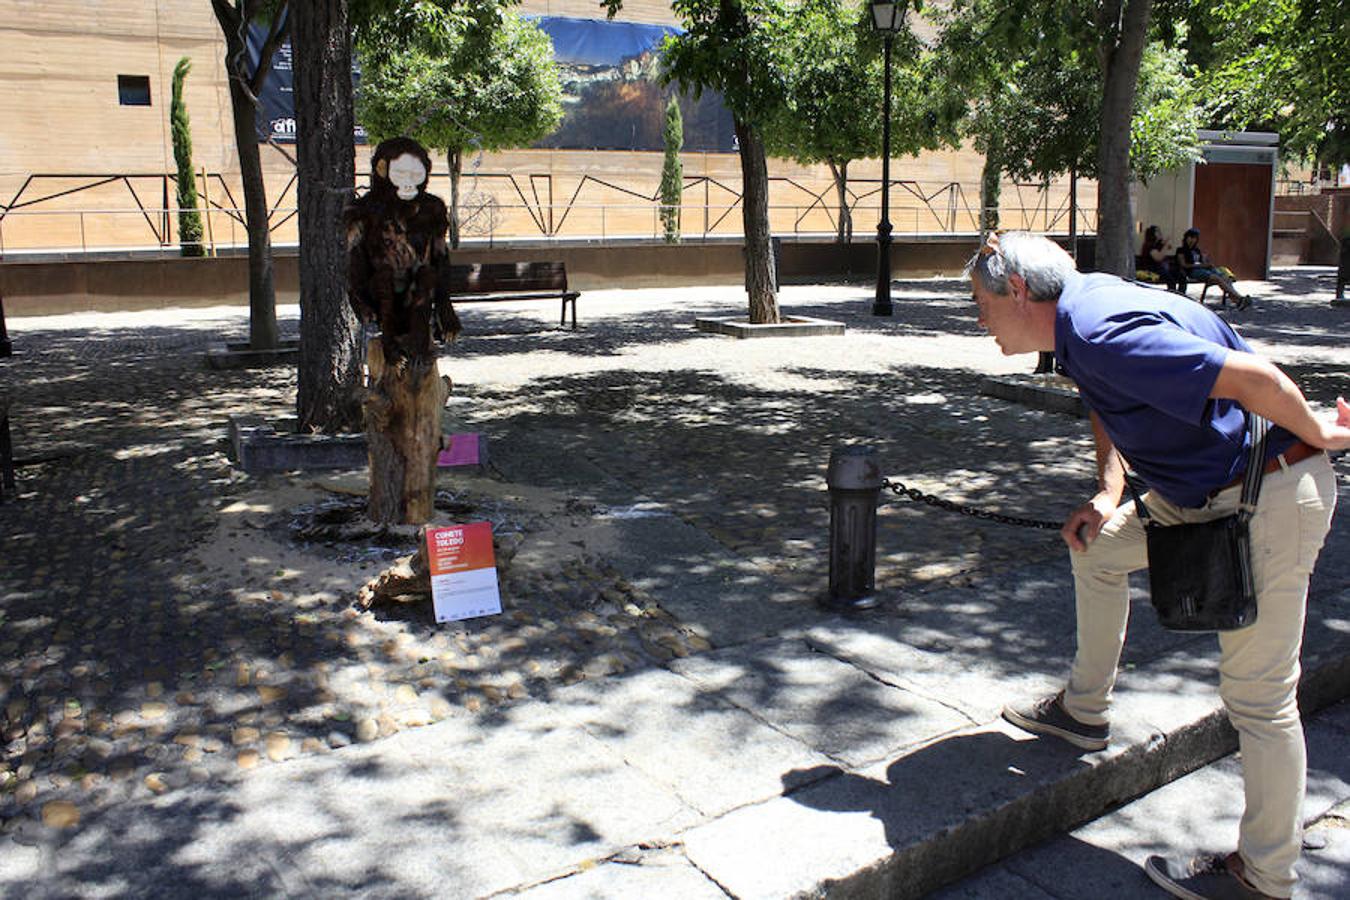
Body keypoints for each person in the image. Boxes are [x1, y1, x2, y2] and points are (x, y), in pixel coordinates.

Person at [967, 232, 1347, 900]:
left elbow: (1254, 379)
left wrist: (1321, 432)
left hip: (1269, 493)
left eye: (981, 305)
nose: (978, 322)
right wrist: (1109, 492)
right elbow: (1106, 401)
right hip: (1201, 494)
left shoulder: (1102, 330)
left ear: (1019, 292)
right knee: (1098, 548)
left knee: (1260, 698)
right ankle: (1083, 713)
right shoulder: (1077, 323)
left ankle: (1265, 878)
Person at [1176, 227, 1250, 309]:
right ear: (1186, 238)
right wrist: (1201, 265)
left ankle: (1238, 300)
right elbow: (1184, 265)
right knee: (1217, 278)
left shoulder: (1197, 250)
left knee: (1225, 277)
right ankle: (1239, 299)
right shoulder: (1181, 250)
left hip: (1204, 270)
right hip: (1192, 272)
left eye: (1194, 238)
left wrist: (1206, 263)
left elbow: (1202, 262)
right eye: (1190, 237)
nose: (1192, 240)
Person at [1139, 224, 1185, 293]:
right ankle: (1172, 295)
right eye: (1157, 231)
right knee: (1171, 280)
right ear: (1153, 234)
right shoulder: (1149, 245)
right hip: (1153, 270)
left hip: (1162, 268)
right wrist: (1165, 245)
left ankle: (1181, 294)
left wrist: (1164, 244)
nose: (1160, 233)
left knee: (1181, 275)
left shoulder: (1158, 244)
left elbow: (1169, 247)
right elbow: (1158, 257)